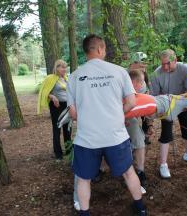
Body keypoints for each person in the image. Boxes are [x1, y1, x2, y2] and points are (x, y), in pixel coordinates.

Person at [66, 34, 146, 216]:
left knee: (84, 179)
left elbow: (73, 114)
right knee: (128, 172)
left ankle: (84, 213)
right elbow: (132, 102)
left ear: (86, 51)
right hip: (115, 135)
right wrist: (118, 114)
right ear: (100, 49)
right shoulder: (119, 71)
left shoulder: (75, 76)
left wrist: (89, 117)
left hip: (87, 138)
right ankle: (140, 208)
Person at [150, 49, 187, 179]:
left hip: (183, 102)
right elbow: (155, 96)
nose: (165, 67)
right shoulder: (156, 74)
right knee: (166, 134)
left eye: (168, 63)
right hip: (166, 105)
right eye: (163, 64)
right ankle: (163, 164)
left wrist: (181, 103)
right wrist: (167, 104)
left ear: (175, 61)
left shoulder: (185, 70)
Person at [37, 59, 71, 160]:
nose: (65, 69)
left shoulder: (66, 78)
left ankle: (69, 151)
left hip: (67, 106)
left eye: (65, 67)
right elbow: (44, 91)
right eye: (62, 67)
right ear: (57, 68)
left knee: (67, 129)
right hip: (56, 107)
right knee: (57, 130)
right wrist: (52, 97)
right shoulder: (50, 78)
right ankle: (58, 154)